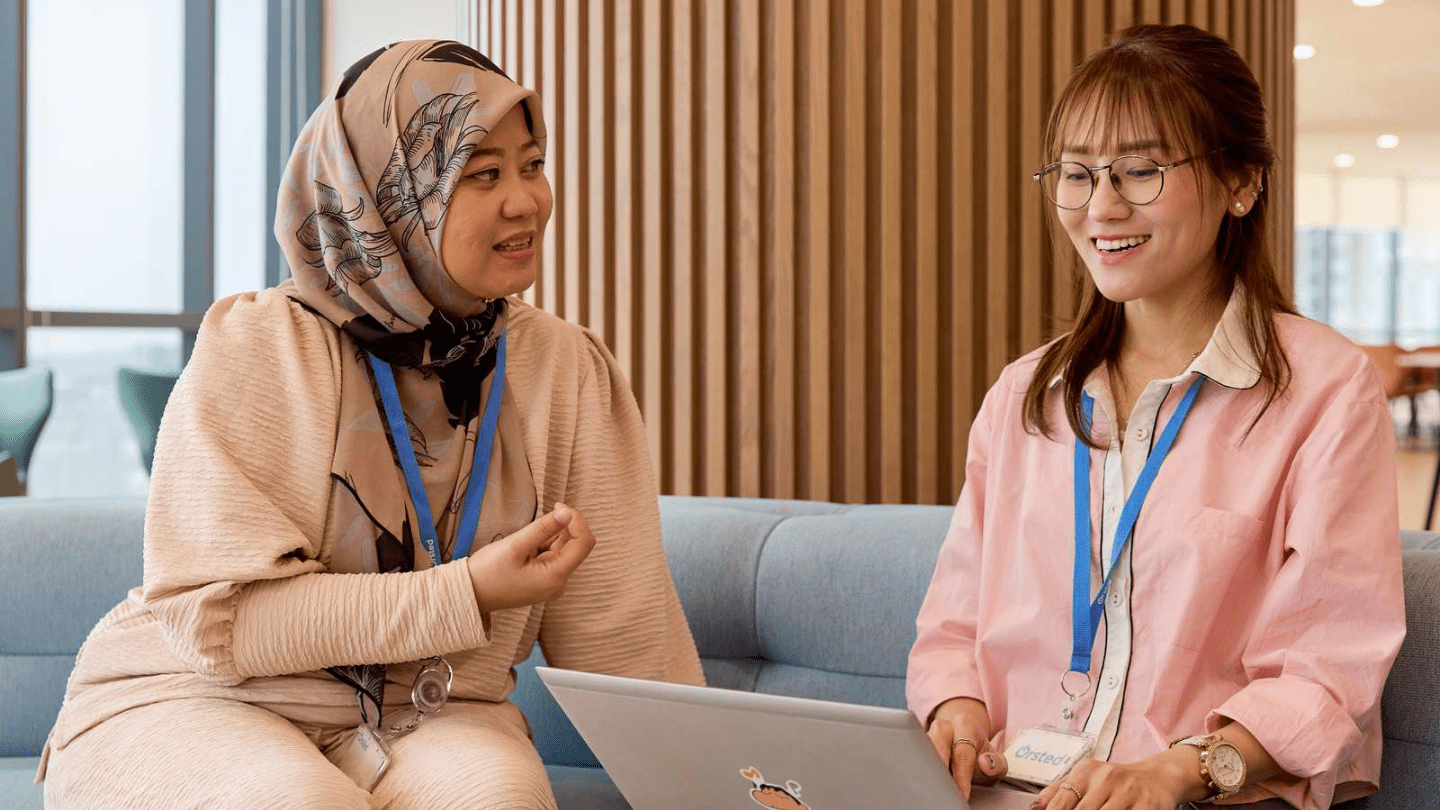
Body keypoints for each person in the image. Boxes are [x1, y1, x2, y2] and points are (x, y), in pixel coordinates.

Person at [40, 40, 702, 809]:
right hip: (199, 696)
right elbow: (227, 627)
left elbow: (630, 656)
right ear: (388, 196)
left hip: (430, 709)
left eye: (533, 164)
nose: (526, 201)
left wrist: (742, 784)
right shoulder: (261, 347)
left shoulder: (566, 368)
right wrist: (466, 595)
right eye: (481, 174)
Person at [906, 24, 1404, 810]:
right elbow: (954, 628)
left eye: (1140, 170)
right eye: (1076, 174)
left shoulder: (1325, 391)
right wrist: (956, 714)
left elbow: (1327, 664)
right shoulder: (1024, 396)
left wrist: (1178, 769)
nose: (1102, 206)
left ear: (1241, 182)